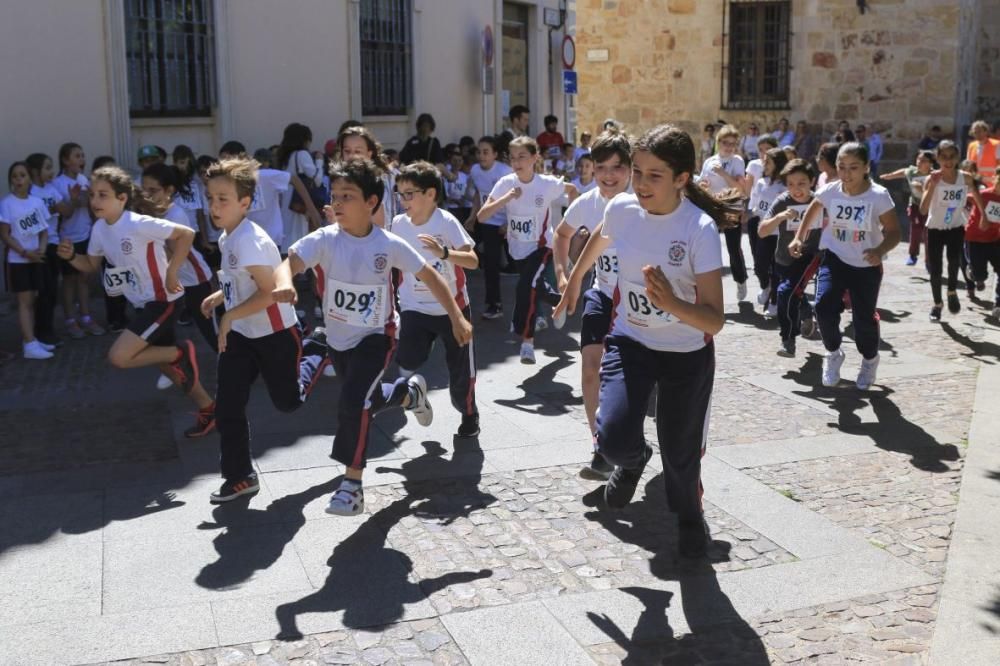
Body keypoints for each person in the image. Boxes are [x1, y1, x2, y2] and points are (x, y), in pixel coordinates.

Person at [555, 124, 737, 558]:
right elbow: (599, 242)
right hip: (630, 341)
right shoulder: (621, 209)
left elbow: (715, 321)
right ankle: (633, 460)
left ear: (681, 179)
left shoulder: (698, 229)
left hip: (685, 353)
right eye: (637, 172)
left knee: (681, 453)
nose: (640, 183)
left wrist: (672, 302)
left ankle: (691, 519)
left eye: (654, 175)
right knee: (612, 436)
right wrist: (574, 282)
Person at [272, 159, 472, 516]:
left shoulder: (389, 244)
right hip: (338, 338)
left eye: (347, 196)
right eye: (335, 196)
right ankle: (409, 394)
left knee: (352, 402)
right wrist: (285, 282)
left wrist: (456, 316)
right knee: (365, 399)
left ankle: (351, 485)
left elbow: (431, 276)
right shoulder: (324, 239)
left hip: (377, 336)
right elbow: (288, 262)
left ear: (372, 202)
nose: (338, 204)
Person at [198, 158, 329, 502]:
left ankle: (318, 349)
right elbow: (242, 283)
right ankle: (239, 476)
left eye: (223, 198)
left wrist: (227, 316)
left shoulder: (249, 240)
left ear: (245, 203)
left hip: (275, 334)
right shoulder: (229, 236)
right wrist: (219, 297)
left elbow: (269, 292)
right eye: (210, 198)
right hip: (242, 335)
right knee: (228, 405)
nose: (214, 206)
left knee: (288, 402)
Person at [56, 166, 216, 430]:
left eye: (103, 195)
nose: (95, 201)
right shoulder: (99, 229)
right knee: (168, 367)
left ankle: (181, 351)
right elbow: (90, 266)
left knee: (119, 356)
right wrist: (71, 257)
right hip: (143, 304)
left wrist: (172, 271)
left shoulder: (137, 223)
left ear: (122, 198)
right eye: (93, 195)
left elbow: (185, 234)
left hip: (163, 301)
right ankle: (208, 408)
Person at [551, 129, 632, 480]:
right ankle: (600, 447)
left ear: (630, 169)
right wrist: (562, 272)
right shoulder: (587, 201)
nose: (609, 175)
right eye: (601, 168)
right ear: (591, 169)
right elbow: (561, 234)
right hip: (601, 293)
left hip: (637, 300)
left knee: (634, 378)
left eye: (617, 167)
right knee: (590, 368)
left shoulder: (641, 200)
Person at [788, 142, 902, 390]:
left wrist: (880, 250)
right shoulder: (831, 190)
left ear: (866, 168)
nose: (846, 173)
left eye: (853, 167)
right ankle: (833, 352)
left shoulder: (878, 196)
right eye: (841, 167)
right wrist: (799, 236)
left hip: (866, 265)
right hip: (835, 258)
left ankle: (870, 359)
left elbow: (894, 232)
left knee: (863, 321)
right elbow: (814, 207)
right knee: (824, 306)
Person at [390, 161, 480, 437]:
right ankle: (417, 394)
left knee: (460, 373)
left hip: (452, 309)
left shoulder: (446, 221)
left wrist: (444, 253)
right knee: (407, 359)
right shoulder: (398, 224)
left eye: (409, 194)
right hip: (414, 308)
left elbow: (473, 261)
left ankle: (469, 415)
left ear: (430, 194)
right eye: (400, 194)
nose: (403, 200)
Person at [477, 136, 577, 364]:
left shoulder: (546, 184)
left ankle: (527, 343)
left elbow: (572, 190)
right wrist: (505, 199)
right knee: (534, 287)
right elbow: (483, 216)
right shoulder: (505, 183)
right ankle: (557, 300)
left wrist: (569, 224)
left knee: (525, 288)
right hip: (517, 249)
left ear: (535, 158)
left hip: (541, 247)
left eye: (522, 156)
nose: (517, 162)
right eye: (512, 157)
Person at [758, 159, 819, 356]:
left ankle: (788, 340)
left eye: (801, 183)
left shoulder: (819, 202)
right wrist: (780, 217)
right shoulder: (783, 201)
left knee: (785, 293)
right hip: (783, 258)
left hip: (809, 256)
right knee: (792, 294)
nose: (796, 189)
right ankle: (807, 312)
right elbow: (762, 231)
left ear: (812, 181)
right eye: (791, 184)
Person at [920, 140, 986, 321]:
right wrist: (933, 186)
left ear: (957, 157)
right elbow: (923, 210)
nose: (948, 161)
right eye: (943, 157)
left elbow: (977, 195)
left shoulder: (964, 177)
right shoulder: (932, 179)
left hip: (956, 225)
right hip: (935, 227)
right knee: (935, 269)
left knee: (953, 261)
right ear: (937, 158)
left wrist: (984, 216)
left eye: (952, 157)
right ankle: (937, 304)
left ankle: (951, 291)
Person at [1, 162, 54, 359]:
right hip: (18, 260)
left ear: (29, 178)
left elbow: (44, 231)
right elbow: (5, 235)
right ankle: (30, 344)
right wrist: (24, 253)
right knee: (24, 302)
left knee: (32, 300)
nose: (18, 180)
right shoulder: (6, 204)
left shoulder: (37, 203)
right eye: (14, 176)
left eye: (22, 175)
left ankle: (29, 339)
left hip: (35, 258)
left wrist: (41, 249)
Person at [52, 142, 105, 338]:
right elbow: (63, 213)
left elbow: (92, 206)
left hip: (85, 234)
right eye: (77, 156)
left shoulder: (84, 179)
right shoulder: (57, 184)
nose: (82, 160)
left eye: (82, 155)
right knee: (69, 280)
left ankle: (86, 317)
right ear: (65, 160)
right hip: (68, 238)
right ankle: (70, 320)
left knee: (84, 278)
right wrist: (75, 200)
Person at [699, 125, 748, 300]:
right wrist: (702, 186)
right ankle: (708, 288)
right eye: (726, 143)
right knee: (708, 248)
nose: (729, 147)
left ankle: (741, 279)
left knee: (733, 248)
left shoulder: (737, 161)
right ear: (719, 142)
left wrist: (723, 173)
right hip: (712, 207)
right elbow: (703, 184)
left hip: (731, 207)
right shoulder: (709, 161)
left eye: (733, 144)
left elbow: (740, 188)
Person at [468, 136, 513, 320]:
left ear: (495, 154)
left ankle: (540, 306)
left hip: (510, 222)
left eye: (486, 152)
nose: (481, 156)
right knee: (490, 265)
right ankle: (494, 304)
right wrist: (472, 217)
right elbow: (479, 194)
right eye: (479, 152)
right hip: (489, 222)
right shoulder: (475, 171)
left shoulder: (505, 172)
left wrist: (509, 224)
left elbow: (517, 198)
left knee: (523, 264)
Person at [25, 153, 66, 348]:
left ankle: (48, 329)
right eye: (47, 168)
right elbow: (31, 220)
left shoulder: (51, 189)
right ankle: (40, 332)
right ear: (35, 171)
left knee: (52, 291)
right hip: (38, 247)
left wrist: (72, 201)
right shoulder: (30, 192)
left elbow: (64, 209)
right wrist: (50, 211)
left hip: (54, 243)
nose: (51, 172)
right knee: (43, 291)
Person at [749, 148, 790, 314]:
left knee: (776, 269)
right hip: (764, 231)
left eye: (768, 162)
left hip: (780, 233)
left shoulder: (786, 185)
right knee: (759, 266)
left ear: (777, 164)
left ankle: (774, 302)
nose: (764, 164)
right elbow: (757, 207)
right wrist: (747, 214)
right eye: (763, 161)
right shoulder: (761, 182)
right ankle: (765, 287)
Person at [339, 125, 398, 230]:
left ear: (369, 154)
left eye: (358, 152)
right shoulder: (339, 181)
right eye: (347, 151)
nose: (352, 156)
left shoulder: (378, 181)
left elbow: (377, 226)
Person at [881, 151, 935, 265]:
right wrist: (889, 176)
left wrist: (923, 189)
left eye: (924, 160)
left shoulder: (934, 176)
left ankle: (929, 259)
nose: (920, 162)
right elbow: (903, 172)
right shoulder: (912, 172)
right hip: (915, 205)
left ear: (931, 163)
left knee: (928, 233)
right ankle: (913, 255)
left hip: (931, 207)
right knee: (915, 229)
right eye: (918, 159)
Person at [964, 171, 1000, 318]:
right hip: (975, 239)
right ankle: (973, 273)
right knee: (980, 275)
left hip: (995, 240)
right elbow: (963, 198)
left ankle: (998, 304)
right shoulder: (983, 195)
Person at [245, 148, 292, 249]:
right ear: (267, 161)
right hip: (272, 235)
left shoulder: (245, 177)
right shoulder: (271, 175)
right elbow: (294, 179)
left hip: (251, 236)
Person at [442, 145, 474, 224]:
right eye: (454, 160)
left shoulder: (465, 176)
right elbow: (444, 197)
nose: (457, 163)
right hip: (449, 210)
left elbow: (468, 193)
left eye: (460, 160)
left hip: (462, 210)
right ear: (450, 161)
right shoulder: (445, 177)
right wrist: (456, 201)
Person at [966, 120, 1000, 188]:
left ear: (986, 131)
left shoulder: (996, 145)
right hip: (976, 184)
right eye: (975, 132)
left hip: (993, 185)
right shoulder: (971, 146)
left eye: (980, 132)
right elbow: (968, 166)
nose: (978, 134)